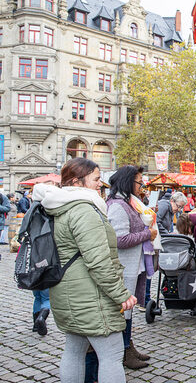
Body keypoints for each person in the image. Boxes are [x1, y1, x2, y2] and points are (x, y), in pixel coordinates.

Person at [32, 158, 136, 383]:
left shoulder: (59, 205)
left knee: (74, 350)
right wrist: (122, 295)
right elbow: (99, 262)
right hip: (91, 297)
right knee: (111, 354)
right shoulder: (83, 210)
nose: (101, 184)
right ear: (77, 181)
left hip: (68, 293)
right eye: (97, 179)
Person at [106, 166, 157, 370]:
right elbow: (120, 239)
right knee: (123, 309)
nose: (141, 186)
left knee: (128, 309)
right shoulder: (119, 206)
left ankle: (128, 346)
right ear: (128, 182)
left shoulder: (130, 204)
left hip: (132, 265)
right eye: (139, 182)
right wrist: (147, 235)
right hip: (124, 266)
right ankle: (124, 351)